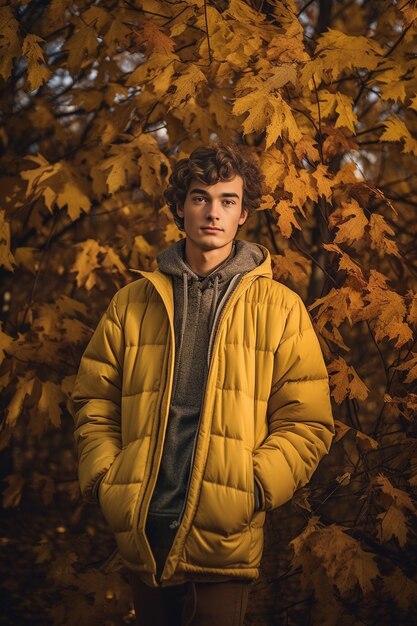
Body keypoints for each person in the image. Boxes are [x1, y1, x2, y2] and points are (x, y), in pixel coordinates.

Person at [71, 144, 334, 626]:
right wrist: (109, 478)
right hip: (143, 524)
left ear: (243, 214)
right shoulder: (133, 302)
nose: (213, 212)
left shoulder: (280, 308)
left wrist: (252, 487)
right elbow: (93, 400)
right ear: (179, 208)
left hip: (225, 530)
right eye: (200, 197)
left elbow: (307, 421)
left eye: (227, 201)